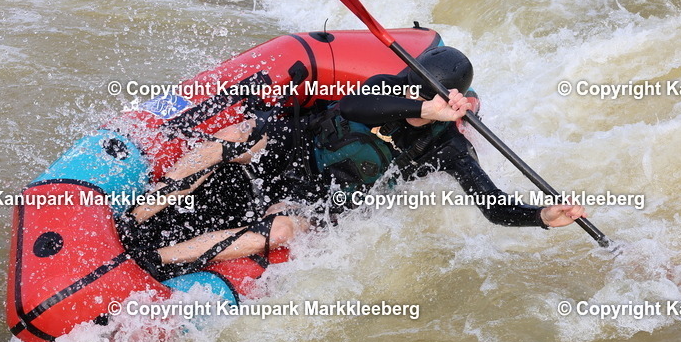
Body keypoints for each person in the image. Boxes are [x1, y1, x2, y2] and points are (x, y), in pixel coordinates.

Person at [120, 46, 587, 281]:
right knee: (238, 134)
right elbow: (354, 108)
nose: (405, 92)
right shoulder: (386, 86)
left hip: (314, 197)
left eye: (415, 91)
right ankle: (140, 210)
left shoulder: (448, 147)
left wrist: (545, 217)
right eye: (407, 86)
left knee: (281, 232)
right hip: (292, 147)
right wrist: (424, 107)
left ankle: (151, 262)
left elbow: (494, 207)